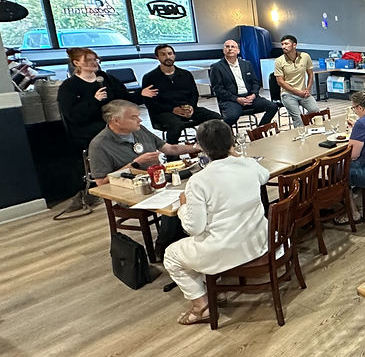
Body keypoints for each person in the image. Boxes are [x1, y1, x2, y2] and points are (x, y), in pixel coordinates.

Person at [163, 120, 270, 325]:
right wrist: (236, 155)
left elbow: (194, 227)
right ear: (232, 142)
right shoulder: (248, 164)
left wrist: (183, 208)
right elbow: (264, 176)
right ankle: (213, 288)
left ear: (201, 148)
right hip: (258, 241)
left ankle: (201, 306)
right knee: (198, 243)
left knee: (172, 255)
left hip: (226, 249)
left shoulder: (199, 180)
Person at [57, 47, 156, 212]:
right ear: (76, 63)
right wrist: (94, 101)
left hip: (114, 124)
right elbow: (73, 115)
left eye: (95, 59)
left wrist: (141, 94)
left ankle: (145, 168)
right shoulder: (69, 87)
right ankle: (116, 175)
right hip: (87, 129)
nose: (94, 63)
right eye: (89, 60)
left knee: (137, 129)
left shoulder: (107, 80)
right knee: (110, 136)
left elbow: (124, 100)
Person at [88, 100, 199, 184]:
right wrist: (135, 164)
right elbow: (101, 182)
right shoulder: (99, 145)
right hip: (131, 189)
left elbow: (170, 149)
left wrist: (199, 147)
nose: (140, 120)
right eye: (133, 117)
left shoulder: (140, 130)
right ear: (116, 121)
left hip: (159, 180)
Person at [141, 44, 222, 144]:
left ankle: (204, 145)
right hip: (164, 112)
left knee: (215, 118)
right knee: (176, 125)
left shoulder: (185, 74)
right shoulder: (150, 77)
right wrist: (172, 110)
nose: (167, 57)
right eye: (163, 54)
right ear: (157, 57)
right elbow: (150, 103)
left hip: (186, 108)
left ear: (174, 55)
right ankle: (172, 154)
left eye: (170, 54)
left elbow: (194, 94)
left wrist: (191, 107)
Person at [208, 39, 278, 127]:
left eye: (233, 47)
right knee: (232, 116)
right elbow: (217, 89)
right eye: (227, 47)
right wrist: (236, 99)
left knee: (273, 107)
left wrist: (253, 95)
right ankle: (226, 136)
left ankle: (258, 131)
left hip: (250, 97)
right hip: (232, 100)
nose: (230, 49)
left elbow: (255, 82)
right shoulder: (216, 67)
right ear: (223, 50)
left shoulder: (246, 64)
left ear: (238, 51)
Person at [274, 35, 321, 128]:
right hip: (288, 94)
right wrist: (297, 92)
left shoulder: (305, 56)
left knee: (315, 111)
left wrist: (308, 89)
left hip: (303, 92)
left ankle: (307, 126)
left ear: (294, 45)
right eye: (282, 44)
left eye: (286, 44)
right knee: (298, 118)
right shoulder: (279, 61)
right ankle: (300, 136)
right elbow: (280, 82)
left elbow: (310, 74)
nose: (283, 46)